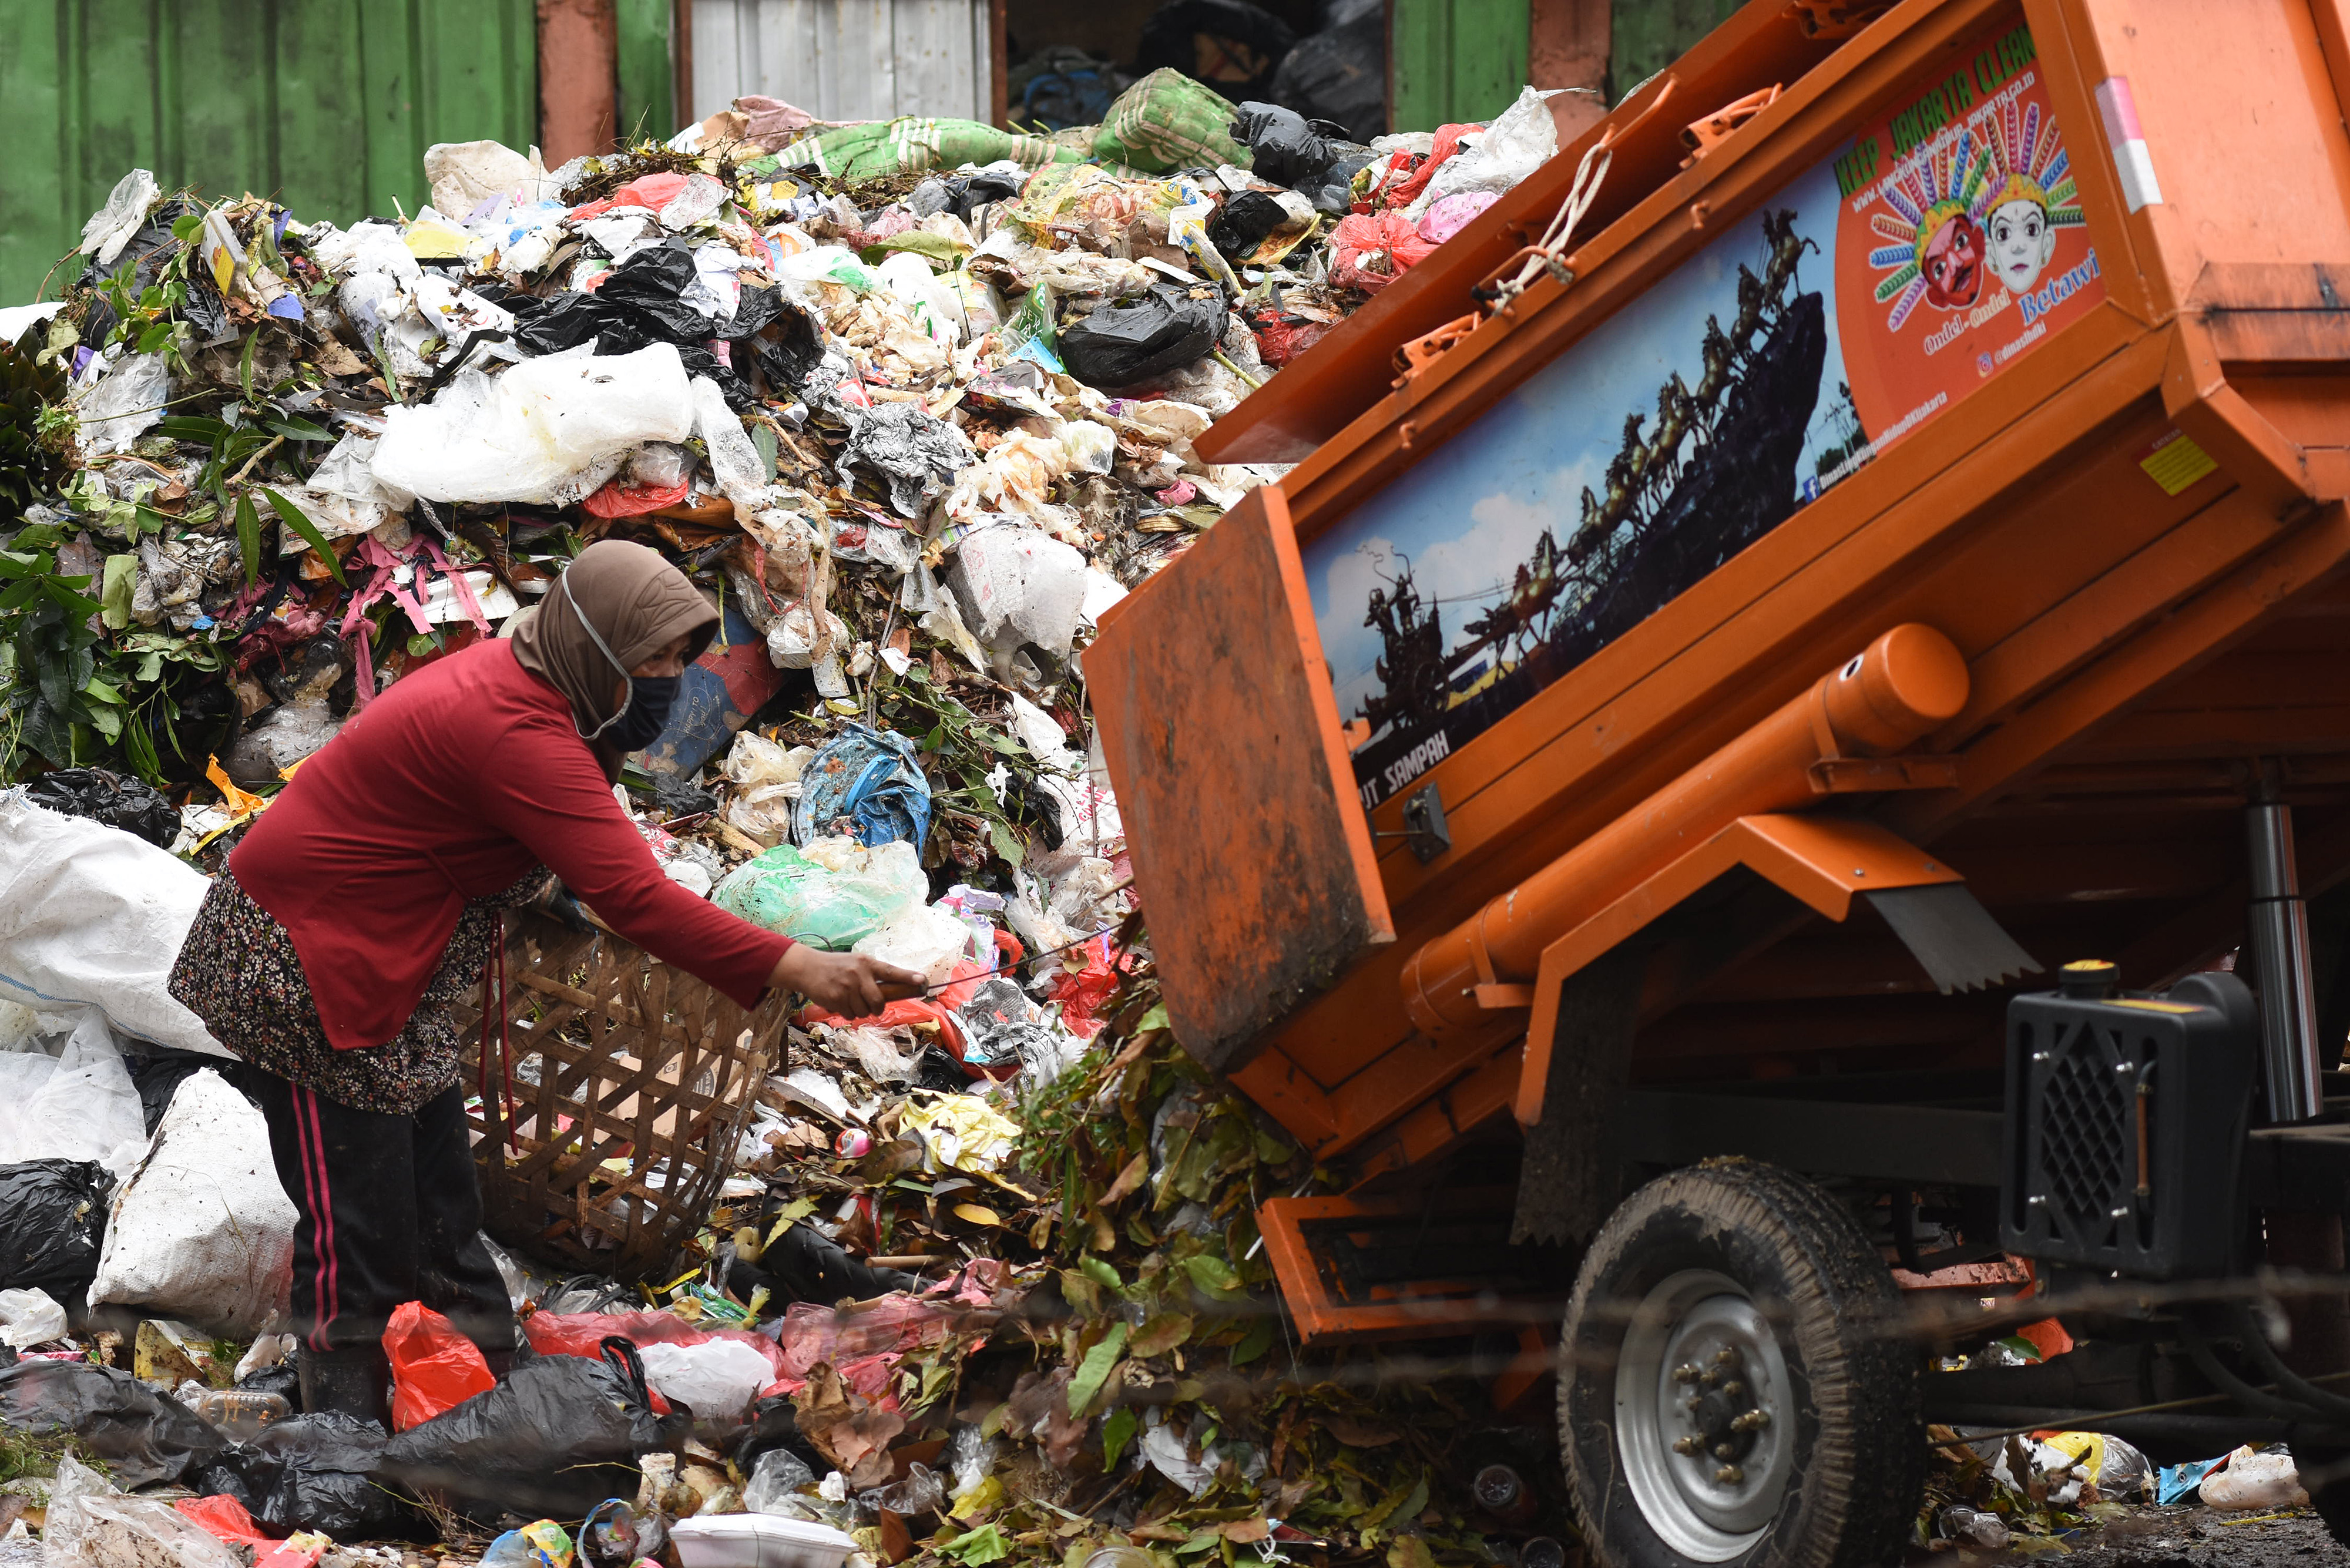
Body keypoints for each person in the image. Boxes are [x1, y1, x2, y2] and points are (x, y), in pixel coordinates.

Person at [167, 540, 921, 1422]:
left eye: (682, 657)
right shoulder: (516, 726)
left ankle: (504, 1392)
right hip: (303, 964)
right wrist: (799, 965)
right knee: (358, 1227)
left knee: (445, 1203)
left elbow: (509, 829)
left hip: (387, 966)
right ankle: (343, 1434)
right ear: (593, 647)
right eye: (654, 660)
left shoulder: (537, 686)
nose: (672, 679)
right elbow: (637, 897)